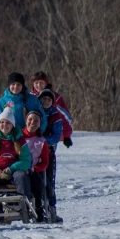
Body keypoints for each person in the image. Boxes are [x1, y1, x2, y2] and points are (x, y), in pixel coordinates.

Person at [38, 89, 63, 223]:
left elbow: (56, 136)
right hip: (33, 152)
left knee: (49, 182)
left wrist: (40, 140)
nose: (46, 101)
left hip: (48, 152)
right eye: (44, 99)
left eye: (49, 100)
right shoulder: (35, 112)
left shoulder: (55, 115)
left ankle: (52, 209)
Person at [30, 71, 73, 148]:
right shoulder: (30, 97)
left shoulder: (55, 98)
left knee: (48, 157)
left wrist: (67, 135)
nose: (39, 85)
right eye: (36, 83)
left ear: (46, 83)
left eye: (41, 83)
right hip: (33, 134)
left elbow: (66, 117)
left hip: (50, 135)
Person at [22, 111, 50, 222]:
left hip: (32, 170)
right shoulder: (18, 136)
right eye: (30, 120)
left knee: (37, 181)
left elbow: (45, 162)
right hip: (17, 168)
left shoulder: (41, 141)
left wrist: (35, 168)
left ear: (39, 124)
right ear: (26, 121)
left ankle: (38, 207)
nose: (32, 122)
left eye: (36, 121)